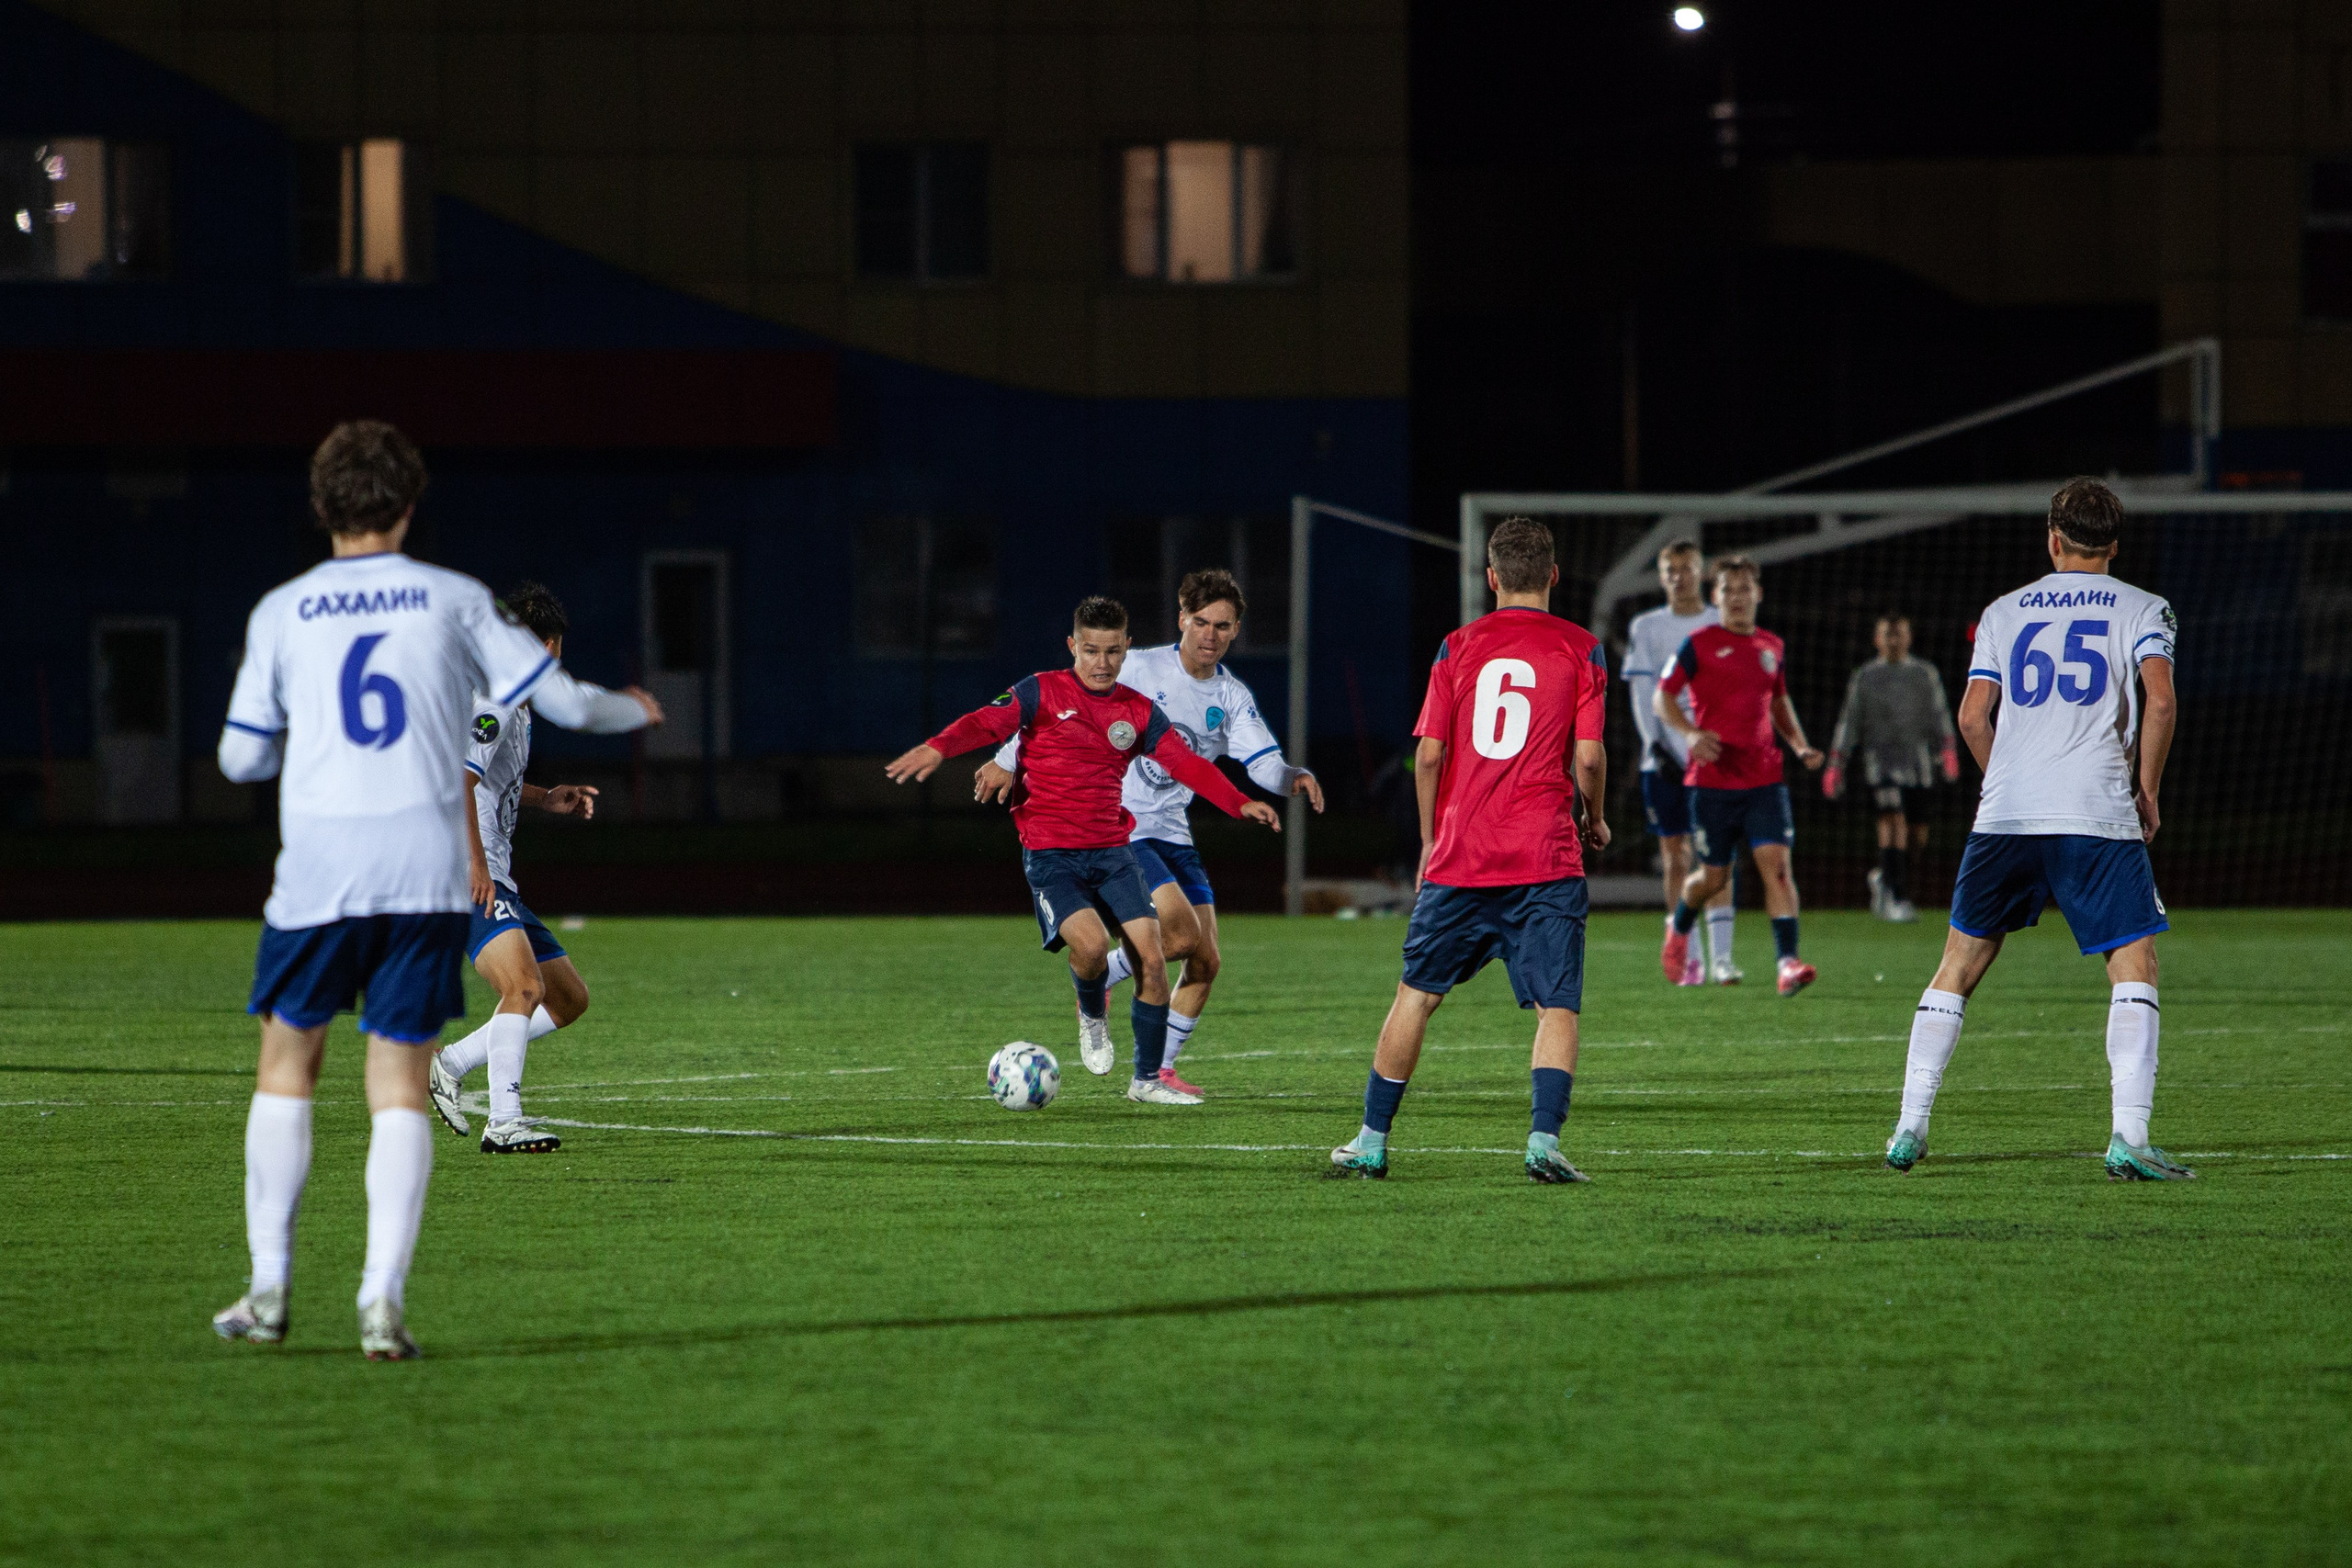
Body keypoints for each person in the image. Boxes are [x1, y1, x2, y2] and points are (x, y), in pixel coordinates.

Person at [211, 421, 661, 1360]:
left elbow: (241, 757)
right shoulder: (455, 601)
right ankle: (381, 1303)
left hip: (318, 876)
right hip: (421, 875)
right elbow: (574, 703)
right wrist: (632, 710)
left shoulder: (280, 611)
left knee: (287, 1070)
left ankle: (267, 1290)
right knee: (395, 1084)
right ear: (410, 504)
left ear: (320, 507)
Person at [1884, 479, 2188, 1180]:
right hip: (2095, 809)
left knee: (1958, 963)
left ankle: (1909, 1125)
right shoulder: (2145, 606)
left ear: (2053, 539)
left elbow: (1970, 717)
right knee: (2134, 964)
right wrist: (2146, 790)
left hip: (2008, 813)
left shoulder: (2003, 610)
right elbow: (2162, 703)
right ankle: (2130, 1137)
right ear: (2113, 544)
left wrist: (2003, 779)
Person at [885, 595, 1283, 1105]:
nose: (1102, 663)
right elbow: (987, 722)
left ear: (1126, 649)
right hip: (1052, 856)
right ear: (1073, 646)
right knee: (1092, 948)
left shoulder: (1137, 711)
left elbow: (1186, 764)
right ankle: (1092, 1014)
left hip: (1114, 851)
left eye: (1113, 652)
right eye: (1091, 651)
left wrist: (1238, 802)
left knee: (1153, 956)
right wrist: (939, 746)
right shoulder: (1042, 691)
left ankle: (1146, 1082)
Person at [1329, 515, 1610, 1184]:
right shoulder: (1581, 647)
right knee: (1557, 1005)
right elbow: (1591, 755)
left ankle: (1371, 1139)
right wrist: (1592, 817)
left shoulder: (1457, 646)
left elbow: (1429, 752)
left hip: (1462, 855)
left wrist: (1430, 839)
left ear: (1490, 578)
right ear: (1552, 574)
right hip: (1544, 855)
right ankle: (1542, 1141)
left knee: (1416, 994)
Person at [972, 569, 1323, 1098]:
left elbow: (1262, 761)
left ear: (1235, 632)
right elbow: (1054, 708)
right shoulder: (1133, 665)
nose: (1210, 634)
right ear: (1181, 619)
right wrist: (1005, 758)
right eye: (1200, 621)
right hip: (1122, 824)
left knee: (1204, 960)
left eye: (1223, 626)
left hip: (1173, 832)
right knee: (1176, 938)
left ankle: (1154, 1067)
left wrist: (1291, 776)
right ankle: (1106, 984)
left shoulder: (1230, 696)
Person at [426, 582, 604, 1155]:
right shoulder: (495, 701)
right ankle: (504, 1119)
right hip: (468, 871)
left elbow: (493, 783)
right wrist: (476, 867)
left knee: (566, 998)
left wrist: (546, 795)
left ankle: (449, 1063)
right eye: (552, 647)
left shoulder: (518, 707)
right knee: (523, 986)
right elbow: (460, 781)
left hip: (495, 872)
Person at [1653, 555, 1826, 998]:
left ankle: (1787, 963)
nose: (1737, 598)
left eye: (1744, 589)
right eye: (1728, 590)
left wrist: (1800, 744)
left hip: (1765, 781)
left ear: (1758, 594)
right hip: (1712, 784)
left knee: (1779, 869)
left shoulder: (1772, 646)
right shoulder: (1698, 643)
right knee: (1714, 878)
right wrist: (1690, 734)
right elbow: (1663, 697)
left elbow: (1778, 703)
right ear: (1716, 597)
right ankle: (1679, 926)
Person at [1623, 538, 1736, 983]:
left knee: (1718, 854)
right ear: (1661, 575)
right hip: (1665, 760)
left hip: (1713, 755)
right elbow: (1641, 693)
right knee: (1675, 856)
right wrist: (1657, 746)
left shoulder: (1719, 621)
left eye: (1686, 568)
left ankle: (1723, 957)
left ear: (1701, 572)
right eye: (1670, 569)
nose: (1678, 576)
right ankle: (1685, 953)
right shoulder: (1647, 626)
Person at [1825, 614, 1961, 922]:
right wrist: (1837, 764)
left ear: (1909, 638)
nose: (1893, 641)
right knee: (1892, 822)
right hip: (1880, 763)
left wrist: (1948, 752)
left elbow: (1939, 715)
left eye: (1898, 634)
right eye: (1887, 634)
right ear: (1877, 639)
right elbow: (1849, 722)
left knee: (1917, 835)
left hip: (1919, 764)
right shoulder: (1865, 676)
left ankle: (1884, 877)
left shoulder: (1924, 674)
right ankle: (1898, 898)